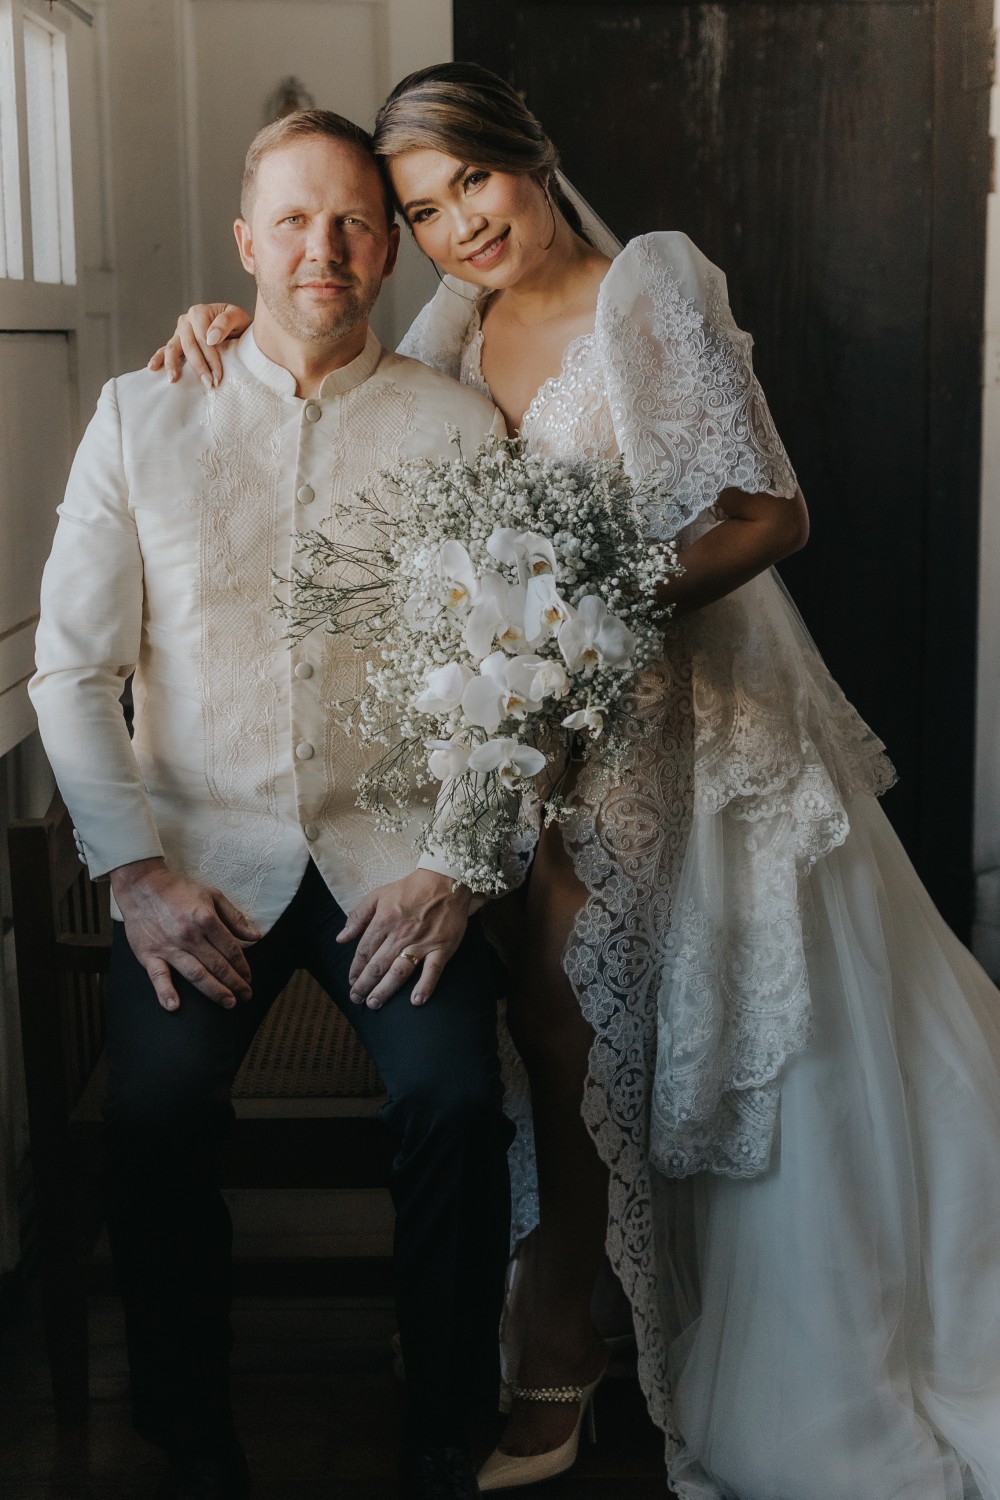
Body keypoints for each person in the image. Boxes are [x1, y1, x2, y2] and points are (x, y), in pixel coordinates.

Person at [150, 65, 1000, 1500]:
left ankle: (694, 1335)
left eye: (470, 182)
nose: (457, 225)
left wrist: (594, 608)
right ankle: (569, 1337)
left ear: (528, 158)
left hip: (697, 729)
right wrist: (224, 327)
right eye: (420, 210)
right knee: (564, 1030)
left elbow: (773, 513)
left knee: (735, 1028)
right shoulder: (451, 325)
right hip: (555, 751)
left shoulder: (647, 285)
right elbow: (345, 382)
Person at [30, 107, 514, 1500]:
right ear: (246, 243)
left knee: (452, 1105)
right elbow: (69, 671)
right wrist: (133, 876)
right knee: (158, 1115)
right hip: (199, 863)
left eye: (358, 220)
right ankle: (190, 1425)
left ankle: (443, 1412)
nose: (327, 247)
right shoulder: (143, 412)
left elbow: (508, 671)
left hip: (393, 859)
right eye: (295, 219)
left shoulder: (459, 426)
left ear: (392, 249)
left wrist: (463, 863)